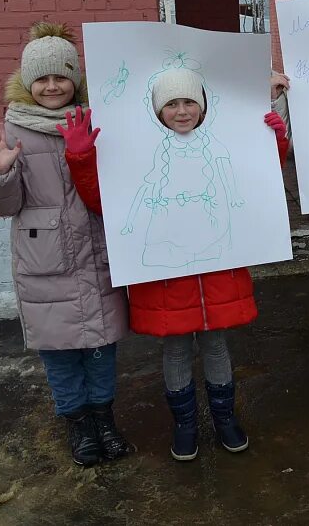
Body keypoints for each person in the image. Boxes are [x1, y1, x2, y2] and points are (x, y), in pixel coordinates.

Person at [61, 68, 289, 460]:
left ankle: (224, 419)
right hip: (166, 274)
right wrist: (81, 159)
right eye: (171, 103)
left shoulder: (220, 146)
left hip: (219, 265)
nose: (182, 111)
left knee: (217, 347)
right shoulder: (143, 156)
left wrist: (276, 141)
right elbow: (105, 202)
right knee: (176, 350)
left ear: (202, 109)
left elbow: (258, 179)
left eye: (189, 102)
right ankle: (185, 425)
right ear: (157, 110)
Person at [0, 22, 132, 467]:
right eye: (41, 78)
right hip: (46, 259)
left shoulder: (97, 120)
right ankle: (79, 426)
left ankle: (104, 420)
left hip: (97, 253)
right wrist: (0, 173)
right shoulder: (14, 129)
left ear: (75, 79)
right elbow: (4, 206)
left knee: (101, 348)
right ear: (27, 83)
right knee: (60, 354)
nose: (51, 86)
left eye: (60, 75)